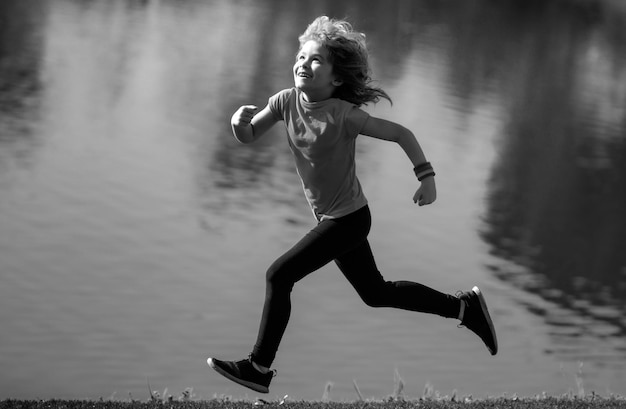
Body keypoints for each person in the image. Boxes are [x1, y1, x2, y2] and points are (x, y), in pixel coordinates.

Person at [207, 16, 497, 394]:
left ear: (337, 79)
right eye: (301, 56)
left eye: (315, 61)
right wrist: (235, 123)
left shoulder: (344, 116)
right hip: (335, 217)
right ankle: (464, 308)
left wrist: (426, 176)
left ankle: (259, 367)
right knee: (376, 293)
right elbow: (248, 135)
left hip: (349, 220)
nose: (303, 64)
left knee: (279, 276)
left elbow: (399, 133)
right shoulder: (284, 102)